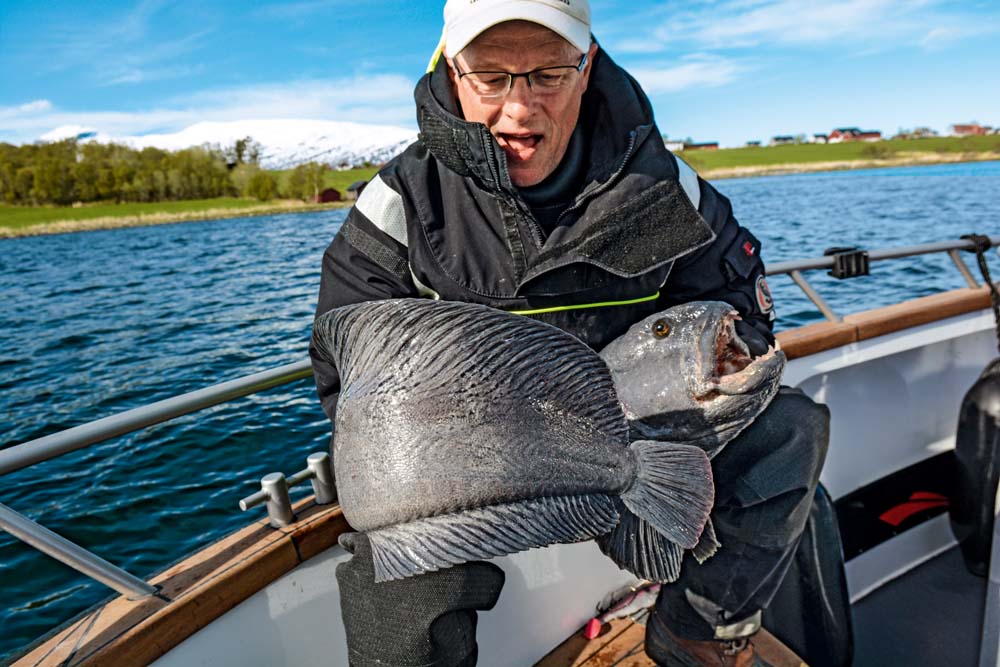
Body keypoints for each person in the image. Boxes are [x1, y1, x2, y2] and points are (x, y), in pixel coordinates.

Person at [310, 1, 829, 665]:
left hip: (643, 438)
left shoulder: (669, 189)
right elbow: (347, 380)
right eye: (491, 78)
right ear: (452, 72)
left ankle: (696, 631)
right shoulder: (398, 209)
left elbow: (737, 309)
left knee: (789, 430)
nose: (519, 111)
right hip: (481, 465)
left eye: (547, 75)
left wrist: (700, 389)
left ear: (586, 69)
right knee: (392, 538)